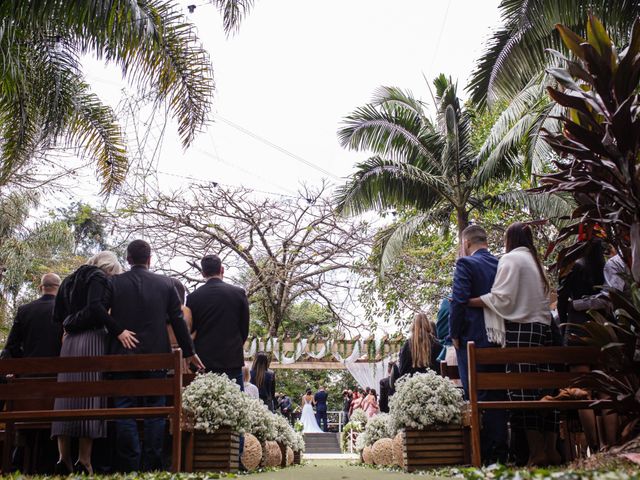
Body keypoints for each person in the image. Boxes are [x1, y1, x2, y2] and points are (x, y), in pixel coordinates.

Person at [469, 222, 560, 466]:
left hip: (522, 329)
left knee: (523, 390)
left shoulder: (511, 259)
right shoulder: (534, 261)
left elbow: (502, 297)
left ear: (510, 239)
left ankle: (537, 450)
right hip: (544, 328)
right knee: (545, 389)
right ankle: (551, 449)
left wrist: (472, 301)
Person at [108, 240, 203, 472]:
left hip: (123, 357)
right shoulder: (166, 284)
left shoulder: (114, 283)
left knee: (124, 409)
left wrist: (117, 330)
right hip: (157, 358)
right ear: (150, 260)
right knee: (156, 411)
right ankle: (152, 465)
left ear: (128, 259)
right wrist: (190, 352)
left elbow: (100, 311)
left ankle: (130, 464)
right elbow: (178, 321)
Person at [51, 253, 137, 475]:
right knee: (89, 399)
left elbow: (58, 314)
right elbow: (96, 307)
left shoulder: (69, 279)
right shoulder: (98, 277)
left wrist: (69, 325)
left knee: (66, 398)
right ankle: (85, 460)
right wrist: (118, 330)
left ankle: (63, 458)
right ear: (109, 269)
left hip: (68, 343)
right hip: (92, 340)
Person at [448, 224, 507, 465]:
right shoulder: (501, 264)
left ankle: (483, 452)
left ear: (466, 244)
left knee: (476, 396)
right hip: (500, 338)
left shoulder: (466, 264)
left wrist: (454, 334)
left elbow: (458, 300)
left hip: (472, 338)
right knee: (498, 394)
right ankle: (501, 450)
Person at [187, 255, 249, 384]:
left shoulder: (193, 298)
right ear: (222, 269)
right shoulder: (238, 293)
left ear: (203, 273)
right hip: (231, 358)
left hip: (203, 361)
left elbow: (191, 330)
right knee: (235, 400)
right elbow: (244, 329)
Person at [558, 239, 606, 345]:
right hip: (601, 327)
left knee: (573, 358)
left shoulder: (573, 266)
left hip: (576, 326)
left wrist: (563, 326)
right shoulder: (606, 267)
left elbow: (562, 298)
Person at [4, 273, 62, 359]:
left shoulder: (24, 310)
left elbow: (12, 345)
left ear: (40, 287)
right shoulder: (65, 309)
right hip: (60, 367)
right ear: (60, 288)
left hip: (29, 367)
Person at [398, 313, 442, 377]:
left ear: (413, 327)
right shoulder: (437, 345)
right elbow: (440, 370)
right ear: (428, 325)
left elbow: (402, 371)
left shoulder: (407, 346)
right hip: (433, 382)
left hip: (411, 383)